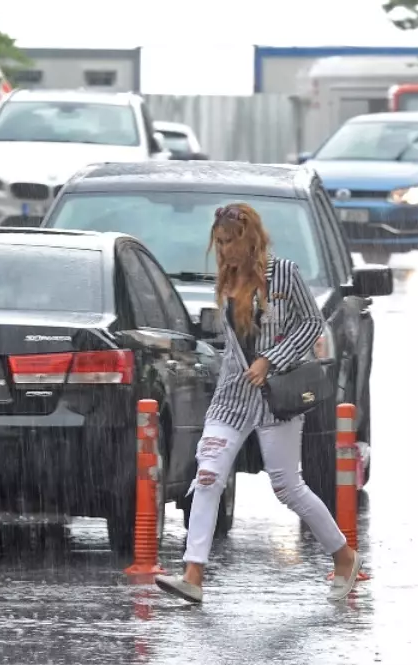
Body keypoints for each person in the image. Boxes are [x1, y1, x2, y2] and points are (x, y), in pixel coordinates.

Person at [155, 203, 362, 604]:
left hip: (276, 393)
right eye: (219, 242)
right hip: (233, 392)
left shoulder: (283, 273)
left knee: (287, 486)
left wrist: (272, 360)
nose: (225, 250)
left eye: (231, 241)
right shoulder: (227, 277)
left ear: (251, 238)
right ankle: (192, 575)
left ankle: (343, 556)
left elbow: (310, 324)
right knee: (209, 474)